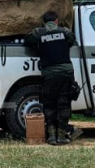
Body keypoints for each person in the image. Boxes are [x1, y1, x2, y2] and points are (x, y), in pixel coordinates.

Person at [25, 11, 80, 145]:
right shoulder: (65, 32)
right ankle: (61, 136)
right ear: (56, 21)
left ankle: (51, 137)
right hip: (66, 71)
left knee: (49, 104)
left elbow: (28, 41)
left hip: (49, 73)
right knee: (64, 103)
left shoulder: (39, 32)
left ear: (44, 22)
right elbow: (72, 41)